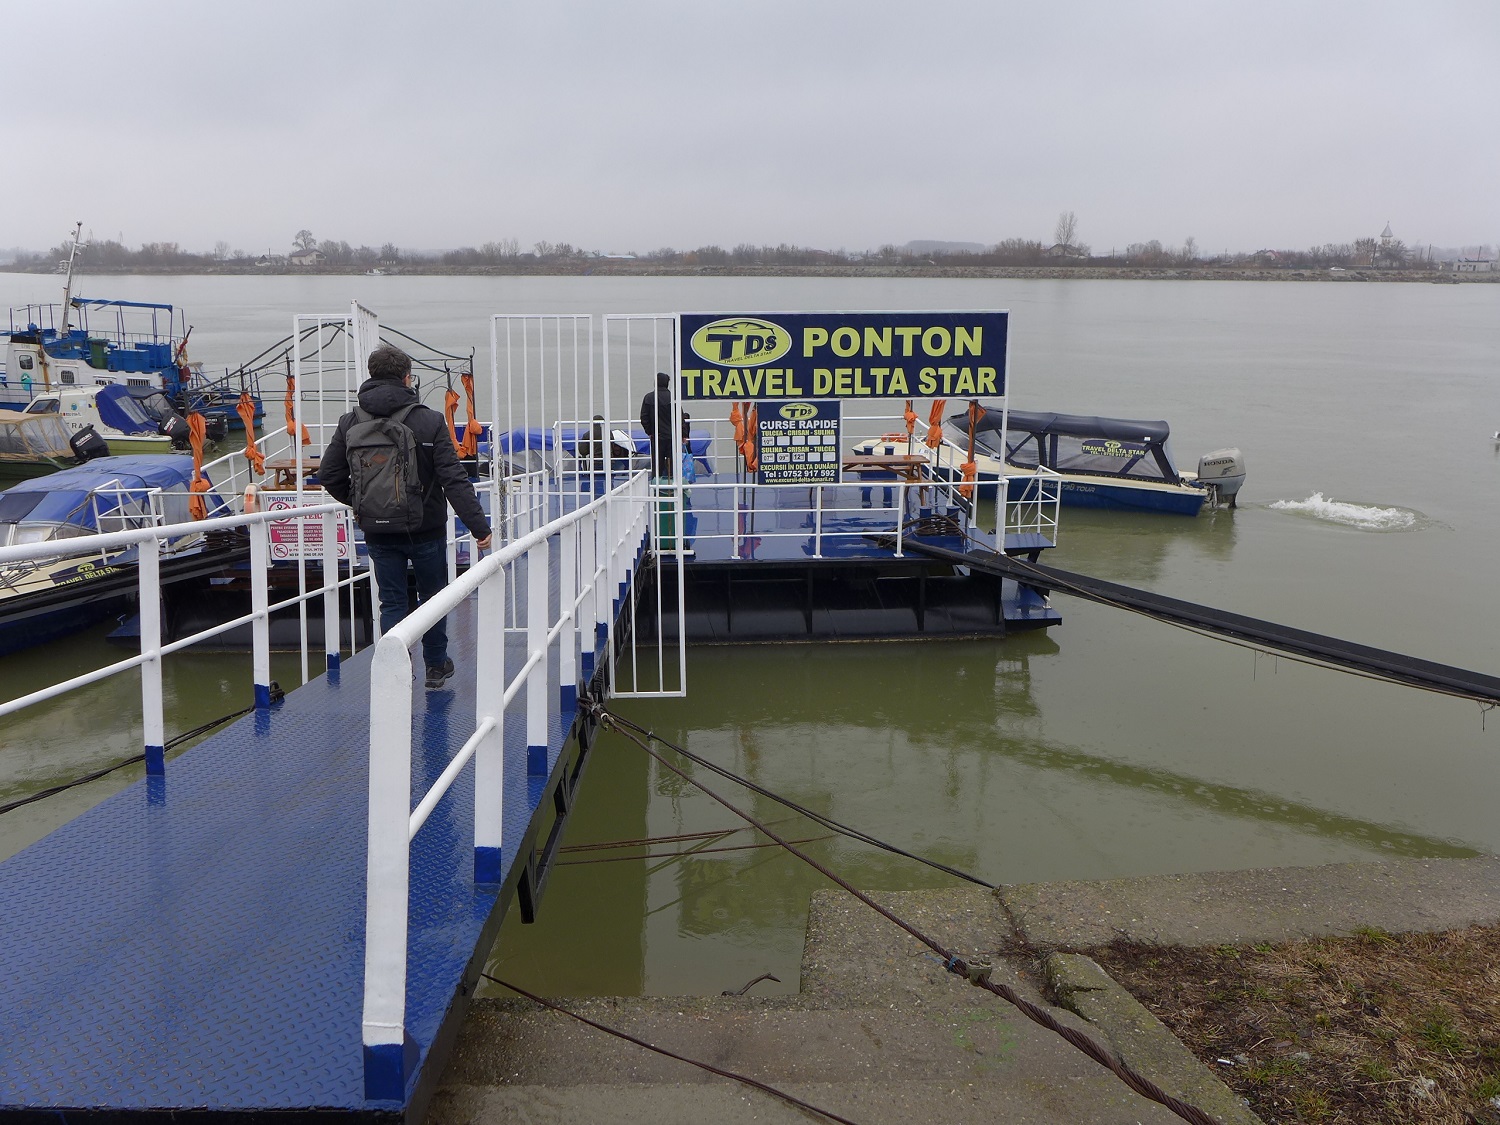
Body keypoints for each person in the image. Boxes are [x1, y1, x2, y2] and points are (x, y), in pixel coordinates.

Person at [320, 344, 493, 690]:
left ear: (371, 376)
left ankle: (396, 670)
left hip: (378, 531)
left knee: (393, 601)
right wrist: (479, 527)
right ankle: (435, 667)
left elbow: (329, 474)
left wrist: (360, 503)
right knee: (434, 597)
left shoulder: (350, 422)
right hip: (425, 528)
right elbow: (452, 478)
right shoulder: (428, 420)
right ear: (407, 378)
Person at [639, 371, 674, 478]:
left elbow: (644, 417)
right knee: (672, 463)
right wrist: (683, 434)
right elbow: (680, 417)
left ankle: (657, 485)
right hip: (672, 436)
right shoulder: (673, 397)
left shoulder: (649, 397)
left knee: (657, 463)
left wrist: (649, 432)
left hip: (657, 436)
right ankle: (672, 483)